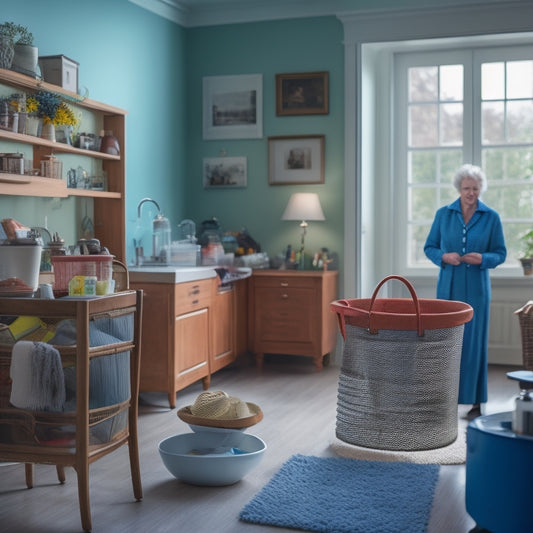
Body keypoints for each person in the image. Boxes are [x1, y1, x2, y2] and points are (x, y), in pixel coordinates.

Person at [424, 164, 507, 419]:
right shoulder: (443, 214)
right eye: (466, 188)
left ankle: (476, 403)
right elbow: (429, 247)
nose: (471, 193)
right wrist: (444, 256)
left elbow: (500, 253)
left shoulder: (491, 217)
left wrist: (482, 258)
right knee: (447, 344)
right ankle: (444, 401)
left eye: (475, 188)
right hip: (448, 287)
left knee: (474, 344)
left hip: (478, 290)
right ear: (459, 189)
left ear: (481, 189)